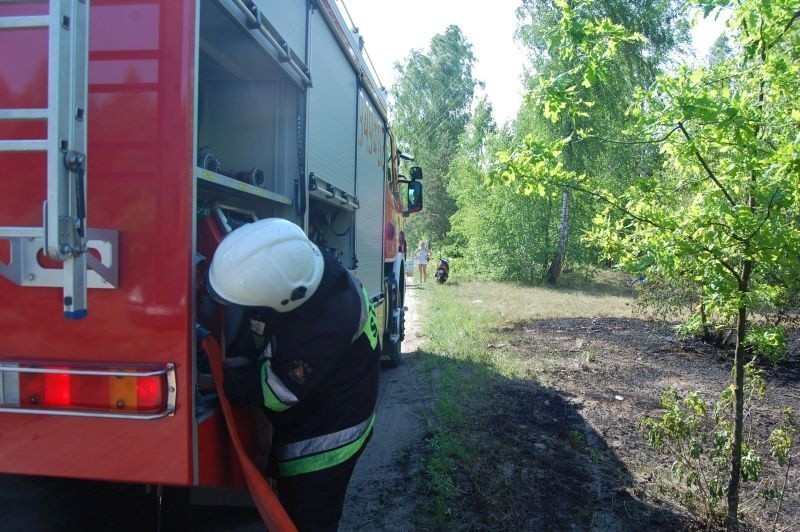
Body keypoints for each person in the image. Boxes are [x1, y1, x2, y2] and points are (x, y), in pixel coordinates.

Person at [206, 218, 380, 531]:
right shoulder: (304, 267)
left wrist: (226, 379)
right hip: (329, 397)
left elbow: (278, 392)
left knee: (306, 519)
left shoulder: (324, 323)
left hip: (329, 438)